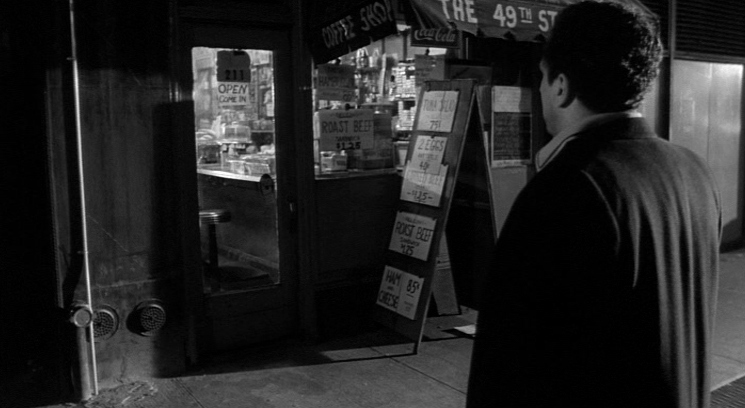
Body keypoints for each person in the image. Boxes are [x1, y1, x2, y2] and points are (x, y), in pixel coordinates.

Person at [466, 2, 722, 407]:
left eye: (543, 78)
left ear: (562, 86)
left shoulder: (567, 187)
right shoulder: (693, 171)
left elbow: (507, 360)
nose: (543, 89)